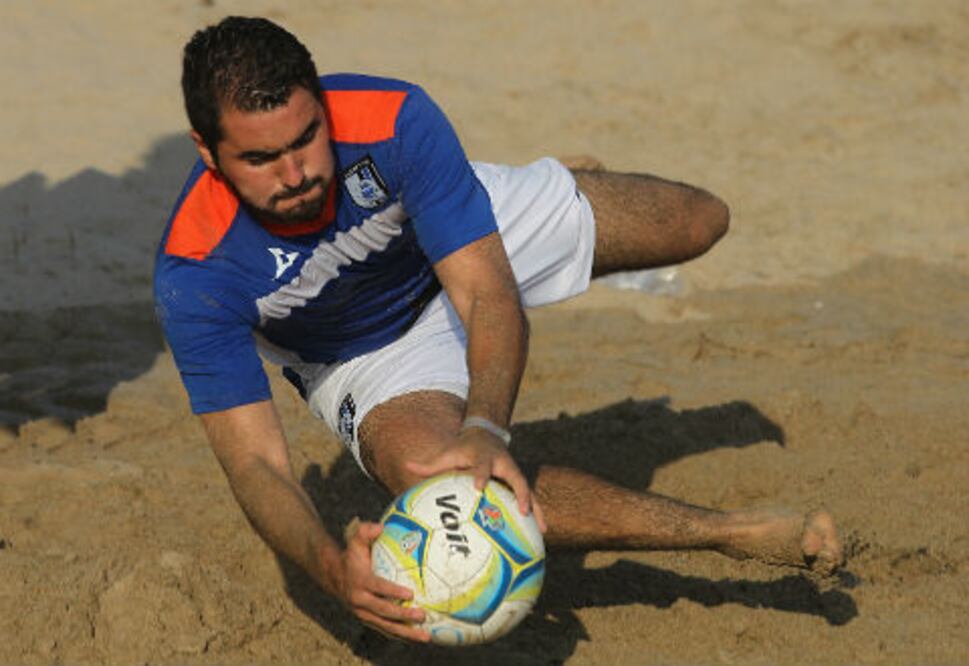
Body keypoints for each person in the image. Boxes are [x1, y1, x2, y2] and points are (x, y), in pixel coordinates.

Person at [154, 16, 843, 643]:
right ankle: (723, 532)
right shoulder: (196, 272)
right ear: (208, 151)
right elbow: (256, 465)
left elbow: (484, 292)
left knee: (699, 222)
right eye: (260, 159)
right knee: (446, 479)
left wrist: (486, 426)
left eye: (307, 138)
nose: (296, 173)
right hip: (362, 352)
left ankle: (527, 187)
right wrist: (331, 568)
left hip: (453, 249)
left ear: (323, 109)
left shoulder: (392, 118)